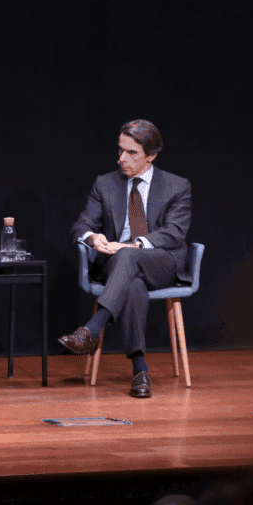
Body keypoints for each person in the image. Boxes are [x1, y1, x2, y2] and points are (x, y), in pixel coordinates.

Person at [58, 119, 191, 398]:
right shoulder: (105, 184)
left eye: (131, 153)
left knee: (129, 255)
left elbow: (175, 233)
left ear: (151, 155)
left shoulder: (177, 186)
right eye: (120, 150)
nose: (121, 159)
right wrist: (93, 238)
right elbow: (82, 225)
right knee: (132, 284)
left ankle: (91, 330)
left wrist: (134, 245)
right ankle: (140, 371)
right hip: (118, 268)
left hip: (161, 263)